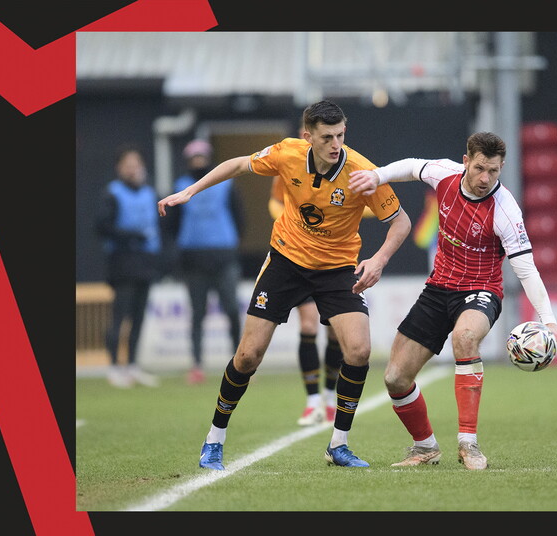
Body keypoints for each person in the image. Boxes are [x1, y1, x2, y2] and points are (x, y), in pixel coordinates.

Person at [158, 100, 411, 469]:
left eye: (340, 135)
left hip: (337, 269)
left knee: (358, 351)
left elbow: (400, 221)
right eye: (326, 137)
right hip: (286, 262)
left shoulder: (362, 172)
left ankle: (338, 444)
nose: (336, 144)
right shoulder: (287, 153)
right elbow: (237, 164)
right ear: (307, 136)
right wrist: (190, 192)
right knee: (247, 356)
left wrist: (380, 259)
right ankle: (214, 439)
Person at [347, 131, 557, 470]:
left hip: (482, 290)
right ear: (466, 161)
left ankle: (469, 444)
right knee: (395, 378)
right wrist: (376, 175)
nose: (485, 178)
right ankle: (425, 447)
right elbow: (411, 166)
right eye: (480, 168)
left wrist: (549, 320)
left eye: (494, 171)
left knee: (464, 337)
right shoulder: (445, 173)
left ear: (501, 168)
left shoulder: (506, 210)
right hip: (439, 288)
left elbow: (526, 270)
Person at [169, 139, 245, 385]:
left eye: (202, 157)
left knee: (232, 310)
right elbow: (172, 223)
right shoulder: (180, 186)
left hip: (223, 256)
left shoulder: (226, 184)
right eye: (194, 158)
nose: (198, 161)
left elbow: (239, 217)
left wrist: (229, 242)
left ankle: (240, 362)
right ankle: (197, 365)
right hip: (194, 259)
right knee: (198, 313)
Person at [269, 175, 342, 425]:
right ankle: (312, 402)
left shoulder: (344, 169)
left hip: (333, 260)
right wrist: (290, 218)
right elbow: (275, 202)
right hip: (299, 258)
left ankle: (330, 398)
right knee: (308, 325)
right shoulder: (288, 167)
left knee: (334, 332)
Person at [95, 145, 162, 388]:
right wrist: (132, 236)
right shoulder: (112, 194)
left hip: (146, 261)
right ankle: (114, 366)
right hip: (123, 261)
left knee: (139, 316)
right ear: (120, 168)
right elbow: (102, 226)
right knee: (120, 315)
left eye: (137, 164)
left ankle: (132, 365)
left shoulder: (149, 193)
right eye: (128, 165)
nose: (133, 169)